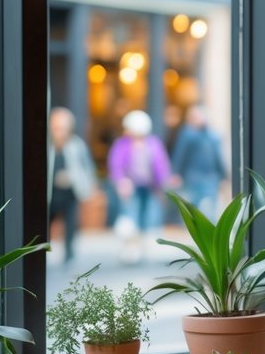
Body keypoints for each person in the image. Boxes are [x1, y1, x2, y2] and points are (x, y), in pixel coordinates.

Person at [107, 109, 172, 263]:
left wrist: (163, 185)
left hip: (150, 187)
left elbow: (161, 166)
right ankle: (130, 249)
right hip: (130, 187)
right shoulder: (121, 144)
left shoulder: (153, 143)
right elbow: (115, 165)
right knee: (130, 217)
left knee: (148, 216)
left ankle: (143, 248)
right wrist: (121, 181)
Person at [48, 107, 97, 263]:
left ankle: (69, 254)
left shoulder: (76, 145)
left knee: (70, 224)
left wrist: (87, 185)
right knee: (45, 223)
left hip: (70, 192)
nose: (59, 132)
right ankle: (42, 252)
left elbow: (87, 167)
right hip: (50, 193)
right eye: (56, 128)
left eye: (62, 128)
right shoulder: (47, 146)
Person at [170, 104, 227, 220]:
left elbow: (218, 157)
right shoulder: (187, 134)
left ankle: (210, 234)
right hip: (192, 177)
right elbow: (180, 155)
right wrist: (176, 173)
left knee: (209, 208)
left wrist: (223, 176)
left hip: (211, 178)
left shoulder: (213, 135)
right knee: (193, 209)